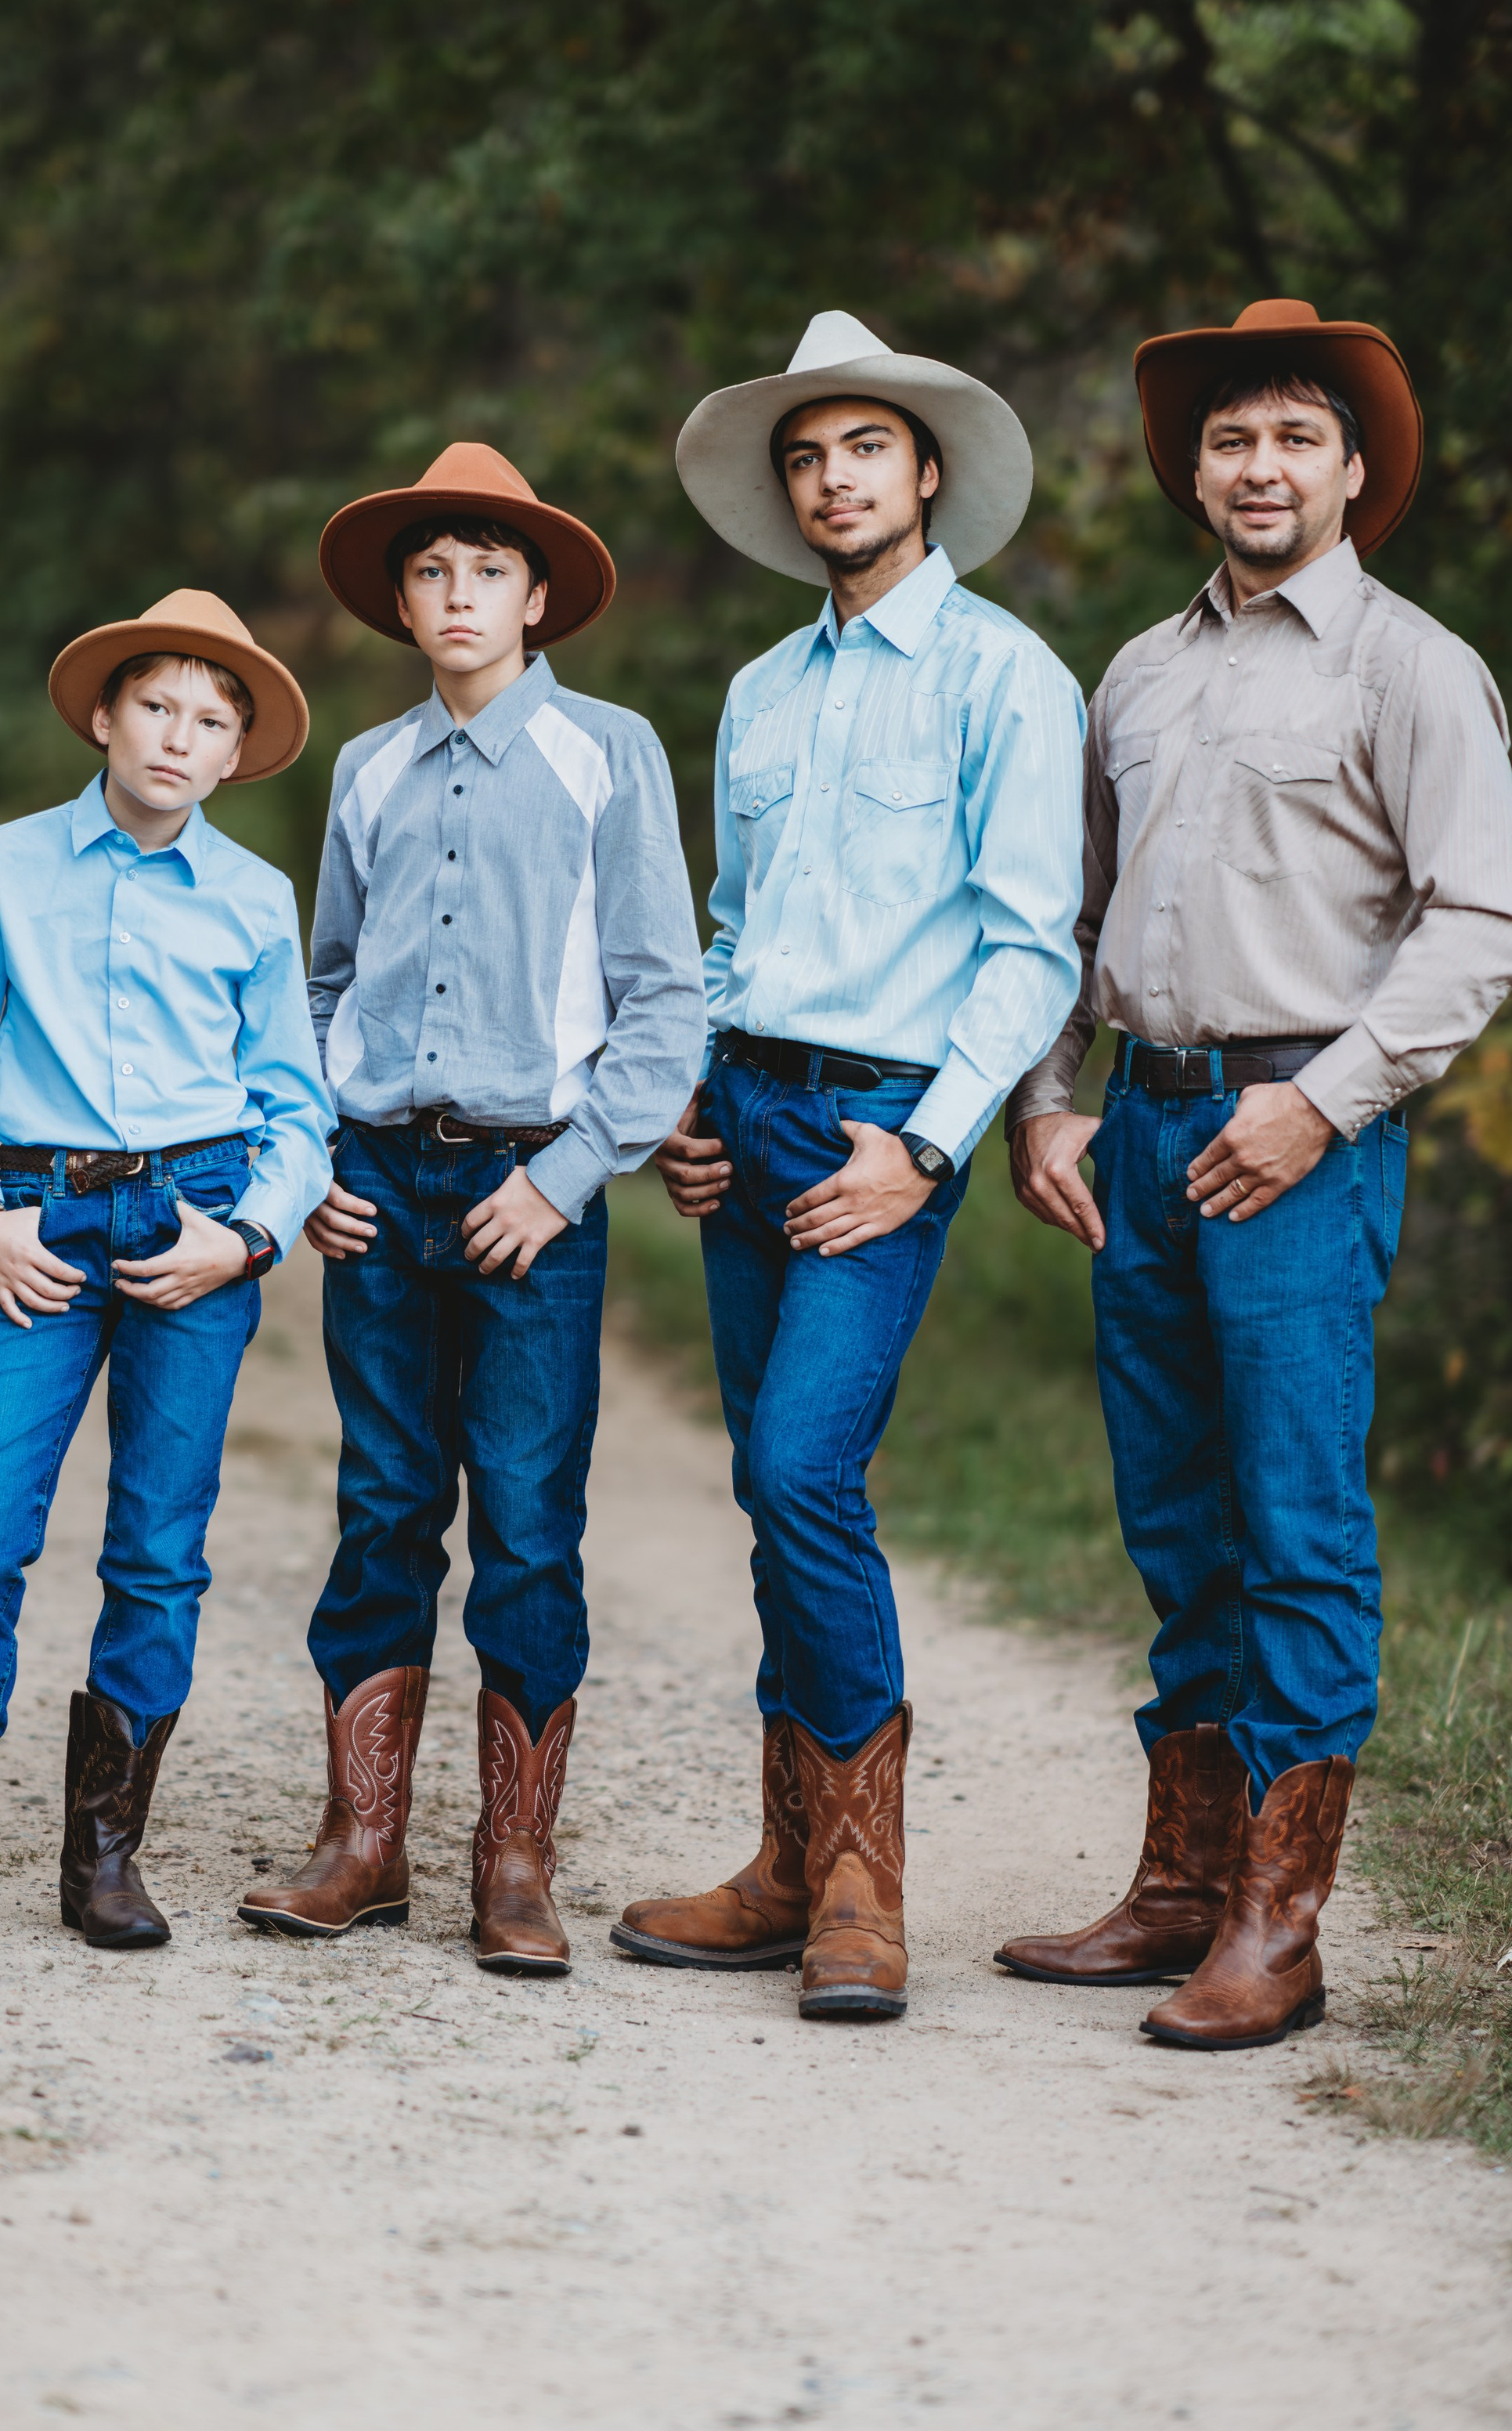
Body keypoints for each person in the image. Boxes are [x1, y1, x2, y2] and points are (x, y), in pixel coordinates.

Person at [996, 298, 1512, 2050]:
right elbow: (1071, 919)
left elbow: (1485, 920)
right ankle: (1176, 1886)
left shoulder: (1406, 666)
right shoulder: (1137, 673)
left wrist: (1325, 1099)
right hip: (1142, 1136)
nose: (1257, 463)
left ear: (1353, 470)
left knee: (1293, 1523)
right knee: (1175, 1524)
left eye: (1294, 435)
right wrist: (1047, 1100)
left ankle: (1275, 1926)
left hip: (1295, 1140)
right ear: (1192, 471)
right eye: (1230, 438)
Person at [614, 311, 1086, 2021]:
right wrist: (683, 1090)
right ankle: (778, 1864)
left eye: (861, 448)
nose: (831, 478)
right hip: (743, 1113)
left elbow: (1033, 945)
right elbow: (736, 925)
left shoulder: (1003, 677)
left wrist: (926, 1145)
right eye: (807, 456)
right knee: (759, 1474)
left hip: (882, 1124)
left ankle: (864, 1889)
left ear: (927, 470)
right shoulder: (755, 689)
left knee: (808, 1466)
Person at [0, 590, 332, 1967]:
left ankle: (105, 1860)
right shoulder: (10, 864)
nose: (178, 735)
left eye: (213, 720)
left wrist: (248, 1236)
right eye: (157, 705)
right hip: (36, 1229)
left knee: (158, 1548)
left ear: (232, 756)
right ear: (103, 715)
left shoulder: (257, 898)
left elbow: (297, 1108)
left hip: (194, 1229)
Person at [238, 444, 705, 1977]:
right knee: (383, 1503)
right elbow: (316, 989)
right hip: (378, 1178)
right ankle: (362, 1841)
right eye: (430, 571)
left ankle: (513, 1856)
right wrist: (307, 1157)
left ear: (535, 594)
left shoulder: (604, 754)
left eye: (485, 570)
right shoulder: (366, 770)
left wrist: (564, 1177)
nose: (456, 594)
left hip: (530, 1192)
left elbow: (658, 1003)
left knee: (522, 1519)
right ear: (400, 598)